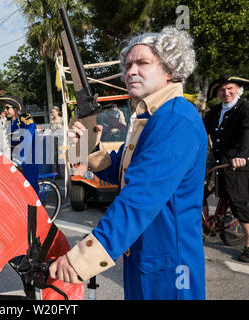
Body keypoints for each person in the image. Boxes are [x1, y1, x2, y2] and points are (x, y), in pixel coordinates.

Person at [50, 26, 207, 300]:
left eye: (142, 63)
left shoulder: (175, 119)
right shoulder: (152, 117)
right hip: (145, 258)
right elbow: (120, 169)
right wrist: (88, 147)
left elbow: (139, 198)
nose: (130, 71)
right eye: (128, 65)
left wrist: (80, 259)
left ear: (169, 69)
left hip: (170, 267)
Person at [203, 75, 249, 263]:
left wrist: (243, 156)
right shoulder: (214, 111)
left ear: (237, 89)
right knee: (196, 191)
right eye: (222, 90)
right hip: (215, 161)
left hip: (236, 162)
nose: (226, 93)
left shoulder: (247, 110)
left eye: (230, 88)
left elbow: (248, 135)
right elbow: (201, 133)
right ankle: (204, 229)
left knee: (238, 203)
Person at [0, 95, 39, 195]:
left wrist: (17, 161)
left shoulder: (26, 119)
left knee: (30, 193)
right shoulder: (9, 123)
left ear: (15, 108)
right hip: (14, 162)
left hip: (27, 161)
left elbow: (27, 140)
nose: (5, 110)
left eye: (7, 108)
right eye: (5, 108)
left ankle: (38, 209)